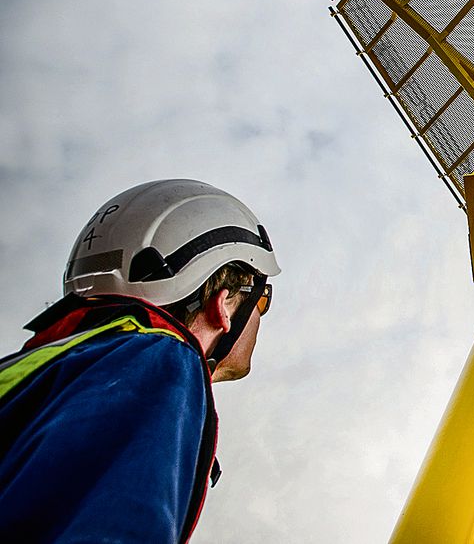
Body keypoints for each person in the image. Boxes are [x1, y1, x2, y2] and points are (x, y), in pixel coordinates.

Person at [0, 179, 280, 543]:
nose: (262, 314)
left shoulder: (47, 371)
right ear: (224, 303)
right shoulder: (158, 360)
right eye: (261, 300)